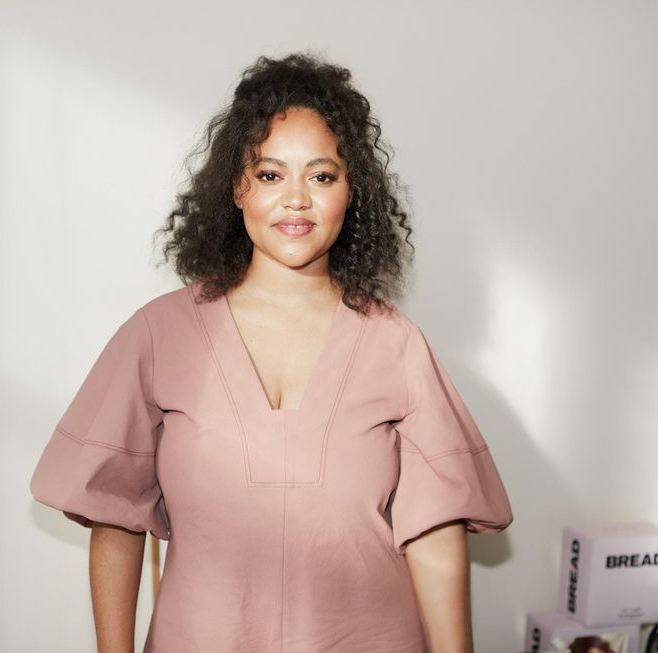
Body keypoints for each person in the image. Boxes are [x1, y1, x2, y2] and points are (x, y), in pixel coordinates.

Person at [29, 51, 513, 653]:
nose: (296, 200)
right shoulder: (158, 334)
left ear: (351, 192)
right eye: (269, 175)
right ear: (237, 188)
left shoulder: (397, 343)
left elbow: (436, 534)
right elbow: (116, 515)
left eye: (322, 176)